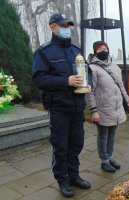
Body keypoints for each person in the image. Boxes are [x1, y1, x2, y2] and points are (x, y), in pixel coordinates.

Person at [32, 13, 92, 198]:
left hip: (77, 106)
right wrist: (66, 81)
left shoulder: (76, 51)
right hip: (59, 107)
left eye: (68, 26)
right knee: (61, 146)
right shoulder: (44, 52)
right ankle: (62, 179)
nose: (67, 29)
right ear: (53, 27)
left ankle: (74, 176)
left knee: (77, 144)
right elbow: (39, 79)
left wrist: (89, 84)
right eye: (63, 26)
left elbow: (87, 72)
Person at [85, 41, 129, 173]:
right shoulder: (92, 68)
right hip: (102, 108)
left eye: (105, 48)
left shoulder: (115, 66)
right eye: (99, 49)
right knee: (103, 135)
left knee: (112, 134)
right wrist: (93, 111)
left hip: (115, 107)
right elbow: (89, 91)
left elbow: (121, 85)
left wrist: (127, 100)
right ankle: (104, 161)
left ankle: (110, 157)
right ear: (95, 52)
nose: (103, 50)